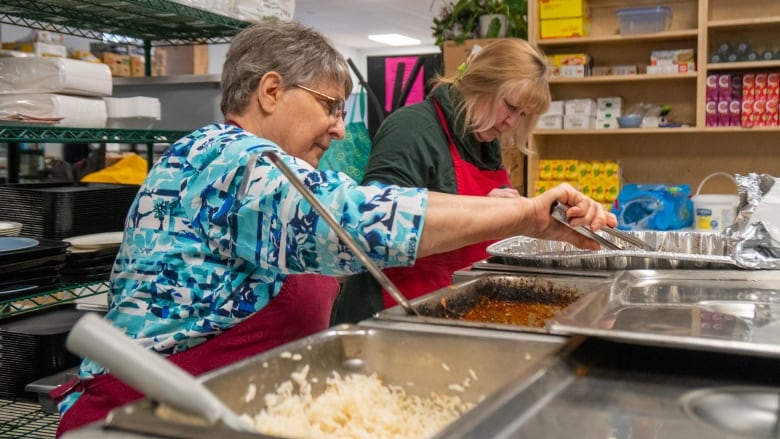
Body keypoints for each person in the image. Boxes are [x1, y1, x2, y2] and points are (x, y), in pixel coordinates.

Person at [52, 22, 615, 437]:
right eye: (329, 106)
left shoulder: (259, 166)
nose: (339, 128)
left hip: (216, 409)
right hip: (143, 417)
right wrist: (527, 214)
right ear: (271, 91)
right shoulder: (229, 160)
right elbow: (359, 221)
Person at [332, 38, 556, 324]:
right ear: (479, 82)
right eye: (510, 106)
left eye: (522, 114)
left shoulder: (484, 140)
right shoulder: (411, 130)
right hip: (393, 311)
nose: (512, 122)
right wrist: (482, 209)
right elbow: (376, 231)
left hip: (449, 306)